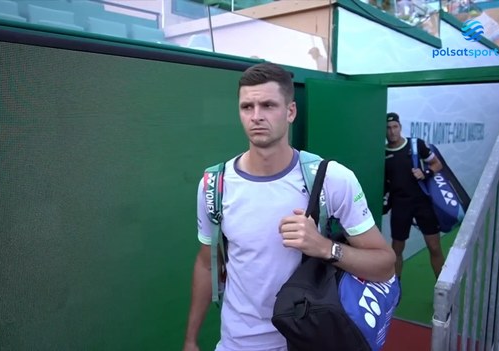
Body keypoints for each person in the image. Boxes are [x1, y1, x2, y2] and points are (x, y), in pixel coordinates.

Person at [183, 62, 396, 351]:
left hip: (308, 341)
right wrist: (191, 339)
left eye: (268, 105)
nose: (256, 116)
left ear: (290, 112)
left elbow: (384, 265)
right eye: (247, 107)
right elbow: (206, 262)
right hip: (237, 344)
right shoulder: (214, 184)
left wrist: (324, 247)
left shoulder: (332, 179)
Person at [384, 112, 445, 285]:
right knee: (396, 249)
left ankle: (443, 291)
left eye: (395, 127)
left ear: (400, 127)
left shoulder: (416, 145)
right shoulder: (382, 153)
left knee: (434, 247)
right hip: (400, 205)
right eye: (388, 128)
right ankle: (394, 291)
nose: (392, 131)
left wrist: (426, 172)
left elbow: (437, 164)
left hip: (422, 204)